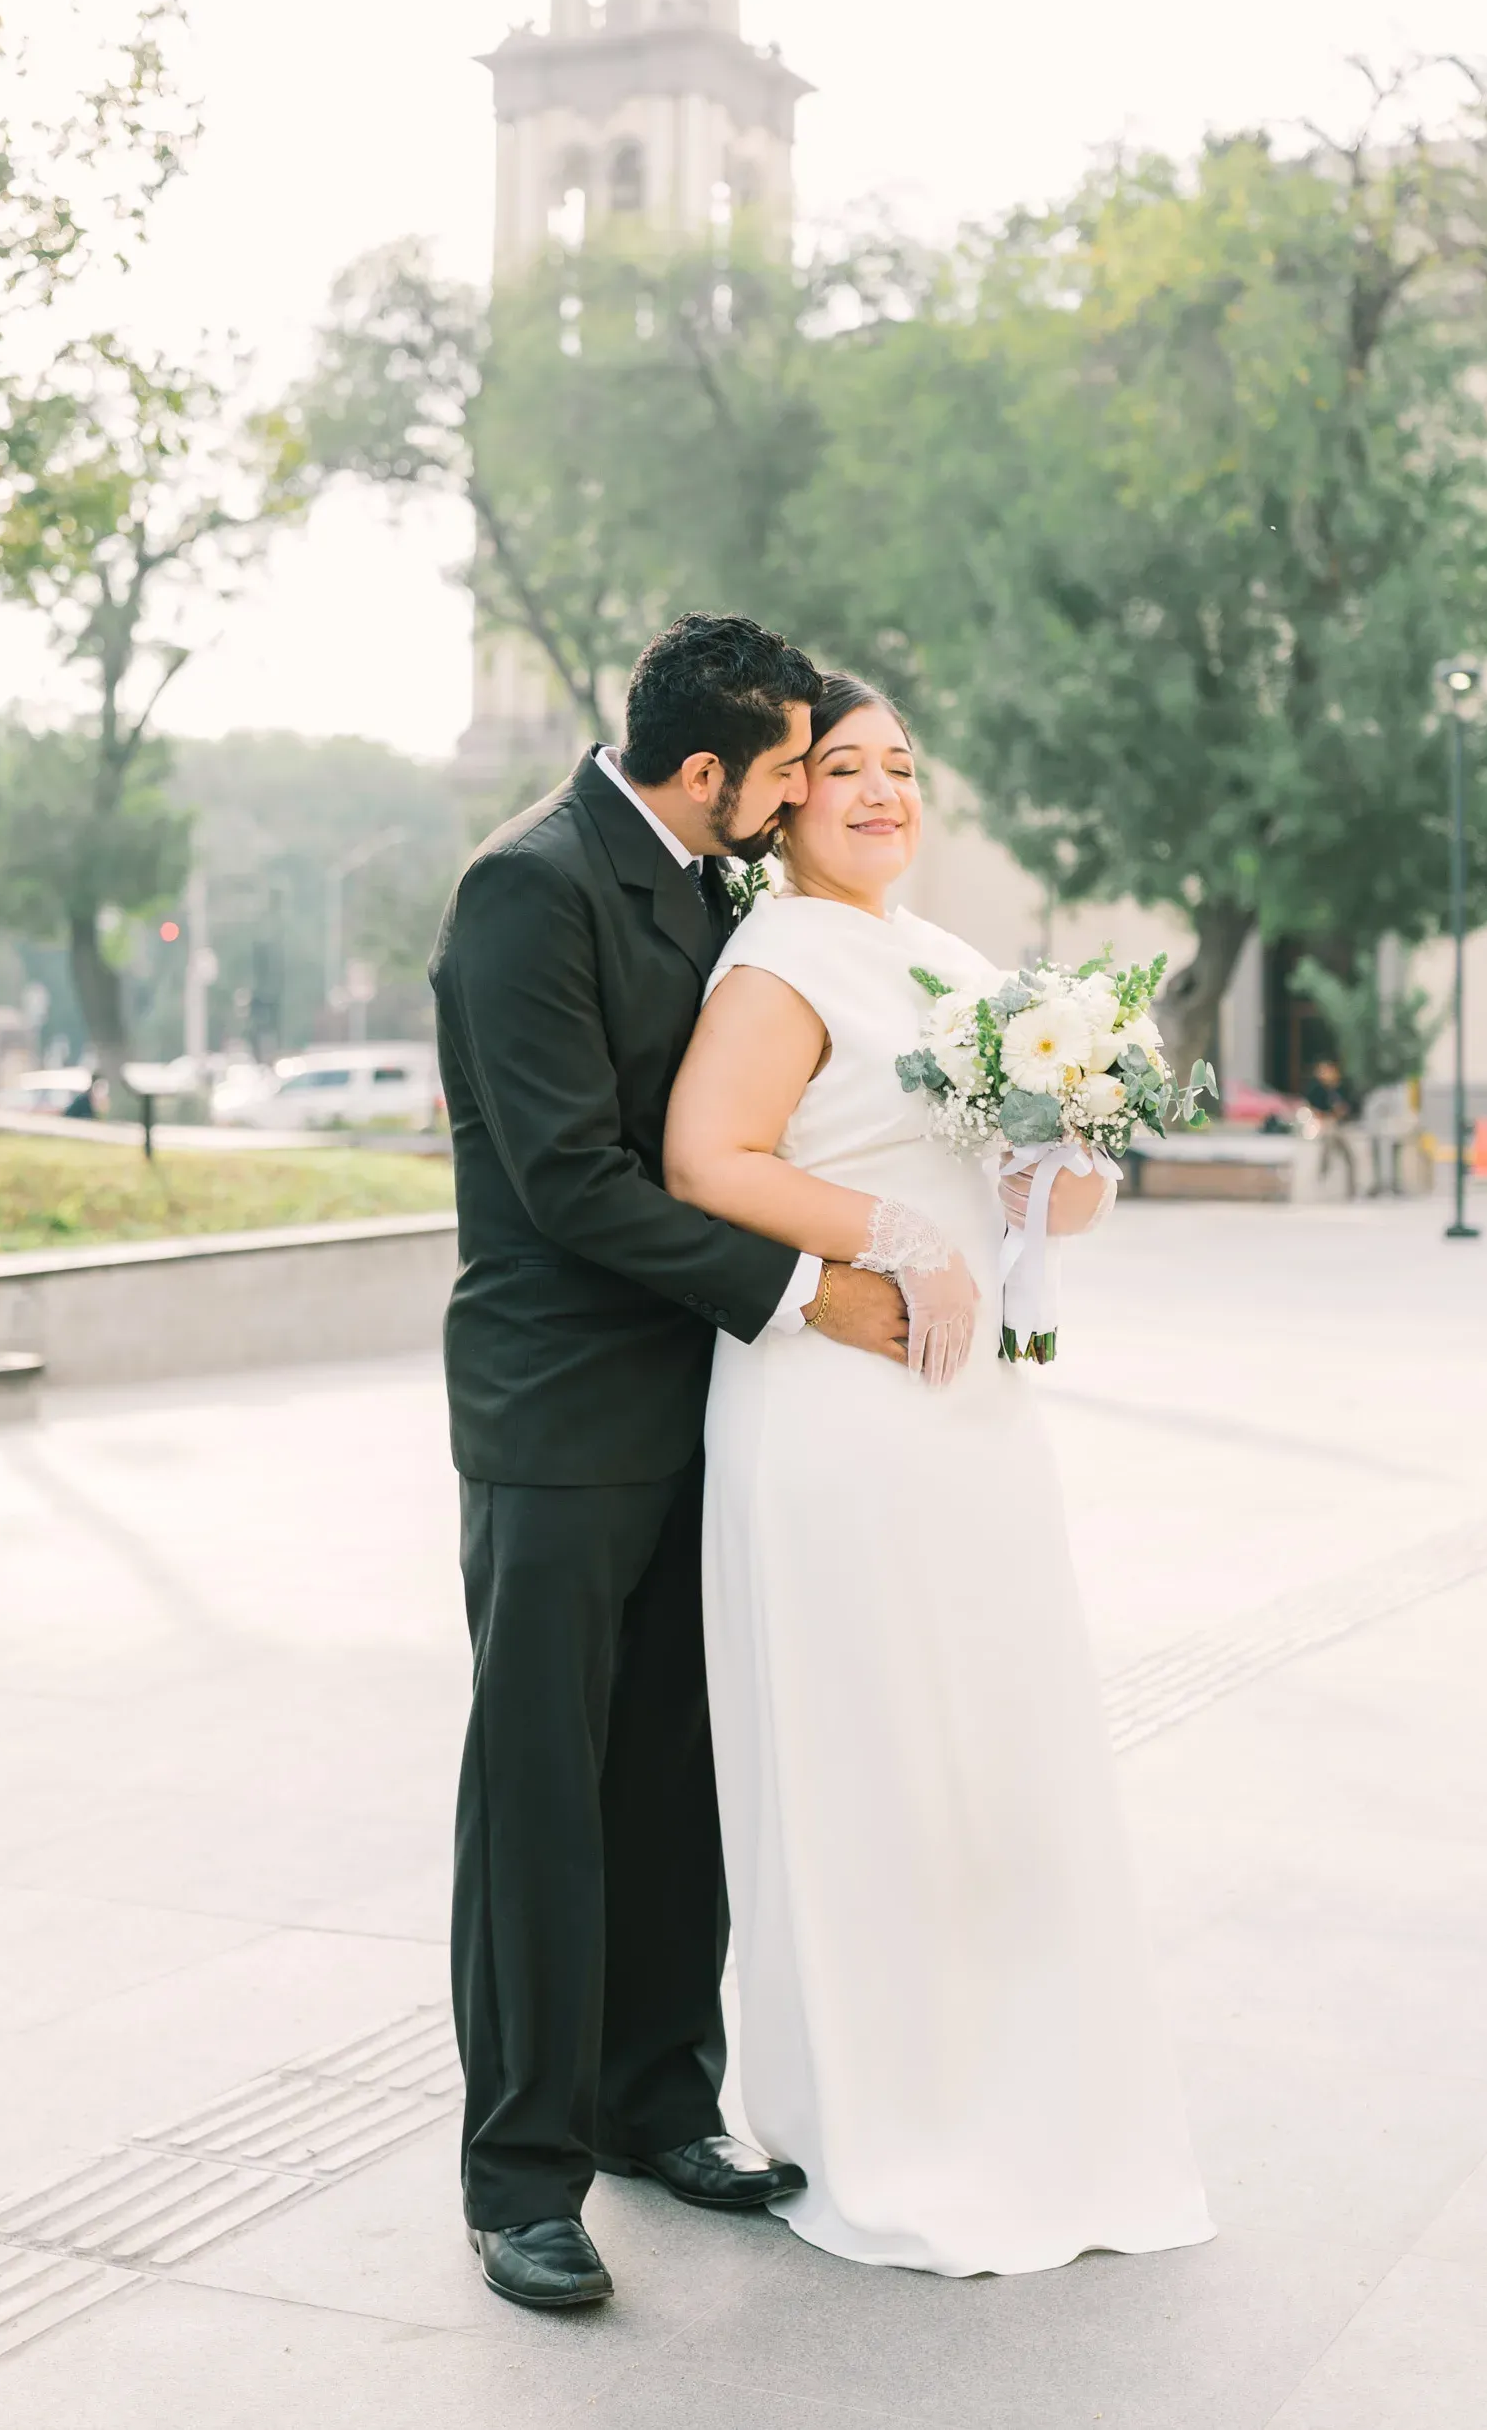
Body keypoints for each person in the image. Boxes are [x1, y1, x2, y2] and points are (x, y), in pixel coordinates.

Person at [665, 675, 1214, 2277]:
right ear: (781, 798)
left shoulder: (959, 962)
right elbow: (713, 1160)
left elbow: (1037, 1211)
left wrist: (1069, 1151)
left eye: (903, 765)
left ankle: (1018, 2098)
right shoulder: (777, 958)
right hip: (836, 1407)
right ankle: (885, 2119)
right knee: (874, 1759)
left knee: (991, 1758)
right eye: (843, 767)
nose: (884, 791)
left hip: (970, 1418)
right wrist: (893, 1230)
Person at [428, 614, 911, 2312]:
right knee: (541, 1794)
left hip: (699, 1403)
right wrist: (805, 1291)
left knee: (668, 1777)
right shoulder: (526, 887)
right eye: (786, 768)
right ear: (705, 770)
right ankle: (522, 2178)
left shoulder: (716, 886)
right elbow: (568, 1178)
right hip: (558, 1414)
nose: (798, 798)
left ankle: (652, 2104)